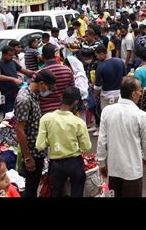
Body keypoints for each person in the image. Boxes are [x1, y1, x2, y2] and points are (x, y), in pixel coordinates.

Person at [97, 76, 146, 198]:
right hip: (133, 171)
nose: (141, 94)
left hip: (114, 169)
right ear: (133, 94)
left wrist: (102, 163)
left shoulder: (107, 111)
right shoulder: (141, 115)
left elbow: (102, 141)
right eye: (139, 91)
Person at [36, 87, 91, 198]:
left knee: (56, 192)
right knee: (77, 192)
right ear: (75, 102)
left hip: (56, 164)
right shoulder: (78, 122)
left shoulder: (46, 118)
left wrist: (51, 140)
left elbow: (39, 146)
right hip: (75, 163)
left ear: (61, 98)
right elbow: (86, 147)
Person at [15, 69, 57, 198]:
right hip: (31, 152)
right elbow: (19, 130)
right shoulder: (25, 99)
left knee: (34, 183)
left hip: (37, 149)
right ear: (42, 83)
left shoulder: (33, 94)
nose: (49, 91)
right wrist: (28, 158)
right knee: (31, 187)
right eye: (48, 87)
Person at [0, 46, 35, 115]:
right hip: (7, 94)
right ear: (4, 54)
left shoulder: (12, 62)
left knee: (18, 112)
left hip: (17, 92)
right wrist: (13, 79)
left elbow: (23, 71)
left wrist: (35, 73)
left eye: (12, 55)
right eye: (10, 55)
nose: (12, 57)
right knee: (8, 114)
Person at [36, 45, 75, 115]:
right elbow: (72, 91)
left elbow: (35, 95)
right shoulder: (67, 70)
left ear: (42, 57)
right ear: (56, 56)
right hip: (64, 111)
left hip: (46, 113)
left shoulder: (38, 74)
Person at [94, 44, 125, 114]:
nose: (97, 58)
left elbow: (97, 87)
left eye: (97, 56)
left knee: (107, 117)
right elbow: (124, 79)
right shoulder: (120, 62)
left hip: (106, 97)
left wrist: (94, 97)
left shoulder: (100, 67)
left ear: (102, 54)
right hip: (119, 95)